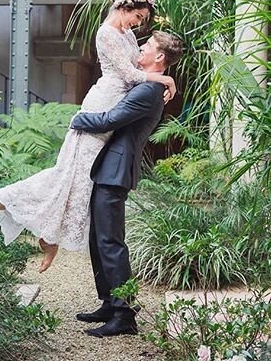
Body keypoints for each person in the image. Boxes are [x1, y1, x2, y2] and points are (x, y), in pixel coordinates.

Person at [0, 0, 176, 273]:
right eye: (137, 17)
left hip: (116, 102)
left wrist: (160, 76)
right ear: (123, 9)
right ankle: (11, 200)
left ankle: (48, 236)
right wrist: (165, 80)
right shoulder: (106, 33)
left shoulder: (127, 35)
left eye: (142, 20)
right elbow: (128, 73)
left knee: (82, 180)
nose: (139, 24)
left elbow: (138, 69)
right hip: (103, 102)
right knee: (72, 171)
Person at [71, 30, 183, 338]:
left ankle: (124, 314)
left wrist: (77, 118)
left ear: (159, 57)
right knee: (99, 239)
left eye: (147, 46)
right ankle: (110, 301)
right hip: (108, 168)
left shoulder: (147, 92)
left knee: (111, 243)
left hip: (116, 170)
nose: (141, 48)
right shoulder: (148, 84)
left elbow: (109, 119)